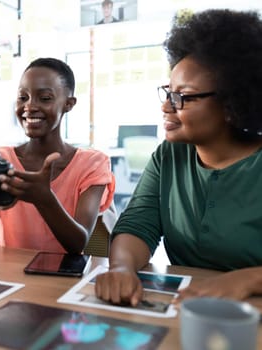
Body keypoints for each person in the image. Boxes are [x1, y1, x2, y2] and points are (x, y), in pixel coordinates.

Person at [94, 9, 262, 306]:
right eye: (168, 93)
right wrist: (121, 268)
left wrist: (246, 280)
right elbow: (137, 225)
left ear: (231, 102)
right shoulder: (169, 156)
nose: (167, 107)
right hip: (186, 311)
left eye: (182, 96)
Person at [0, 57, 115, 254]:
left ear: (68, 104)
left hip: (64, 280)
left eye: (44, 98)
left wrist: (45, 199)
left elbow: (79, 243)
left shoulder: (92, 164)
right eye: (23, 97)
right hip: (10, 276)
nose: (30, 106)